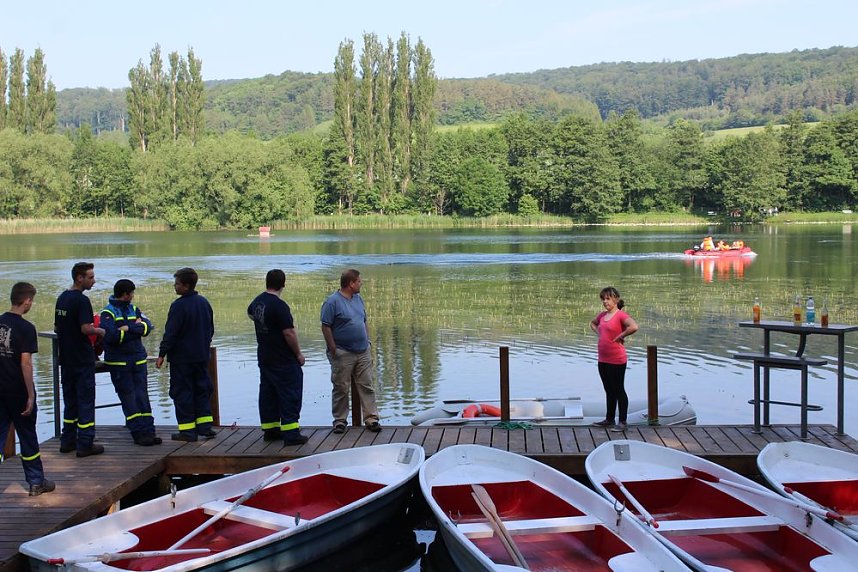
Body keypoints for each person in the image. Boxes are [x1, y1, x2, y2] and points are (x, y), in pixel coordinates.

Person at [0, 283, 55, 496]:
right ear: (27, 301)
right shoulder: (26, 328)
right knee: (28, 435)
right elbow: (26, 363)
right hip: (18, 391)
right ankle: (35, 482)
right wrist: (30, 395)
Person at [156, 267, 216, 442]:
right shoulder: (204, 303)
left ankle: (187, 431)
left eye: (177, 284)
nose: (175, 287)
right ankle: (205, 427)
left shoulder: (178, 306)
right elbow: (210, 329)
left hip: (182, 359)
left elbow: (171, 333)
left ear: (186, 285)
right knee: (202, 390)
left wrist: (162, 354)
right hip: (201, 356)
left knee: (182, 392)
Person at [248, 269, 307, 446]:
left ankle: (271, 430)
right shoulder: (279, 306)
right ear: (283, 284)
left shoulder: (258, 301)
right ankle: (291, 434)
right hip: (283, 358)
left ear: (267, 282)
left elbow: (251, 314)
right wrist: (298, 354)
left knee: (268, 393)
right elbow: (288, 333)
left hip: (265, 356)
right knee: (290, 393)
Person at [320, 269, 381, 434]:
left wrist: (368, 341)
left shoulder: (358, 299)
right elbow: (325, 326)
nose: (361, 283)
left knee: (367, 385)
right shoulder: (332, 302)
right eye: (359, 281)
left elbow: (363, 320)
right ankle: (340, 421)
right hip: (342, 352)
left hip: (363, 351)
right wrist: (333, 348)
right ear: (351, 284)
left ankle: (371, 419)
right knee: (341, 387)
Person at [100, 279, 160, 446]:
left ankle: (149, 432)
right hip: (119, 364)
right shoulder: (107, 313)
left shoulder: (134, 309)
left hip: (138, 360)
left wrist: (127, 329)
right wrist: (136, 329)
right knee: (129, 399)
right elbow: (111, 337)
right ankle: (138, 434)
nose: (133, 296)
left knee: (142, 397)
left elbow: (148, 327)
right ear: (126, 295)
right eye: (132, 293)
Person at [55, 262, 105, 457]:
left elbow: (58, 327)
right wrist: (100, 330)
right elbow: (85, 328)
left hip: (66, 358)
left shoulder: (62, 298)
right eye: (90, 277)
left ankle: (67, 441)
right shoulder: (81, 301)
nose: (94, 281)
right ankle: (85, 443)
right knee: (85, 400)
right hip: (82, 359)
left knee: (70, 400)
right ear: (79, 278)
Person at [589, 286, 638, 432]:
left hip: (616, 359)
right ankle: (609, 420)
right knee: (608, 390)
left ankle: (622, 422)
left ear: (615, 299)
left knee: (618, 390)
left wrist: (621, 335)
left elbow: (634, 326)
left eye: (608, 298)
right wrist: (599, 333)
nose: (605, 301)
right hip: (603, 359)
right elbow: (592, 323)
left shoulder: (620, 315)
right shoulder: (602, 316)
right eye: (603, 299)